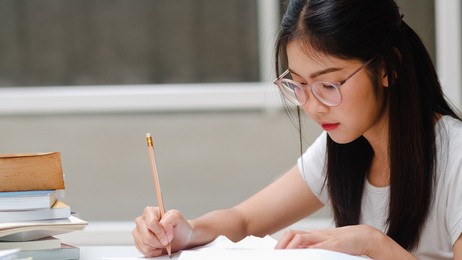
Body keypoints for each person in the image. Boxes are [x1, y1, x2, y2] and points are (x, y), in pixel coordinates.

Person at [132, 0, 462, 259]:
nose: (313, 105)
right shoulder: (344, 146)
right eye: (299, 85)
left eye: (329, 84)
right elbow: (245, 221)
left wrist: (373, 244)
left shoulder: (455, 157)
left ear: (387, 68)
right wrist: (185, 232)